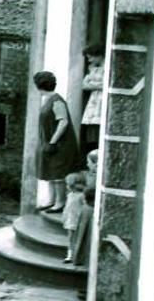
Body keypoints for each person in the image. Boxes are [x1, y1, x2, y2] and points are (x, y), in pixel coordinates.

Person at [34, 71, 80, 212]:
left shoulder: (57, 101)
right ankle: (51, 200)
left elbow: (63, 122)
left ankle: (60, 203)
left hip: (61, 144)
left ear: (39, 85)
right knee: (50, 172)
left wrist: (53, 142)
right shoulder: (49, 100)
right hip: (50, 143)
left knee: (58, 174)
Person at [81, 43, 104, 158]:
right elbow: (84, 85)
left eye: (91, 57)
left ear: (99, 55)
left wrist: (93, 84)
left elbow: (108, 85)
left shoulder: (108, 68)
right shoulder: (93, 70)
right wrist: (99, 85)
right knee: (91, 135)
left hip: (102, 103)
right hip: (93, 104)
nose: (89, 60)